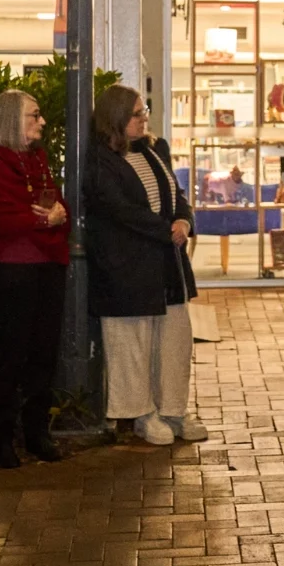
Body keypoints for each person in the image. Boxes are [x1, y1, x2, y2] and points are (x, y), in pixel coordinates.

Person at [84, 85, 206, 448]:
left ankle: (173, 410)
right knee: (131, 343)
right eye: (137, 113)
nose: (144, 118)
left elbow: (176, 195)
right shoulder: (99, 159)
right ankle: (141, 414)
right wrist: (166, 230)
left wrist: (183, 221)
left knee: (174, 340)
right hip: (125, 266)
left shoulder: (155, 150)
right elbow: (118, 209)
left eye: (144, 111)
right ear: (116, 118)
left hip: (166, 265)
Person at [0, 89, 71, 467]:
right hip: (11, 271)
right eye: (34, 115)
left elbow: (56, 207)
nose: (41, 121)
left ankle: (37, 433)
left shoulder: (38, 158)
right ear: (12, 119)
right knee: (10, 354)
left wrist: (54, 218)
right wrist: (42, 219)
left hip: (47, 264)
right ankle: (0, 439)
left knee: (44, 352)